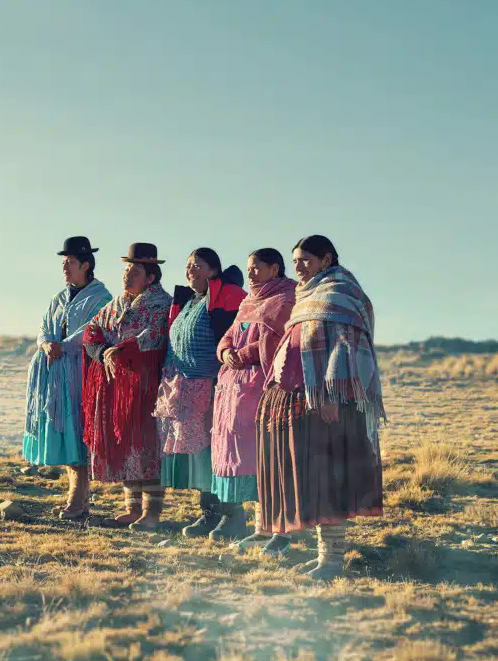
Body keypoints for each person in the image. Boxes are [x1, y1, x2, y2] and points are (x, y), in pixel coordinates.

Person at [255, 235, 385, 581]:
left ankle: (332, 561)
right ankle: (320, 556)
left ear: (326, 259)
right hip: (302, 401)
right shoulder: (308, 293)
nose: (298, 267)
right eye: (295, 260)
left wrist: (330, 396)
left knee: (331, 482)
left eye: (305, 261)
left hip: (330, 404)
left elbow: (346, 347)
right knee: (313, 480)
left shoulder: (341, 292)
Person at [154, 248, 246, 538]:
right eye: (188, 265)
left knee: (217, 452)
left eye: (198, 265)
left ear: (213, 271)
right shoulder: (188, 303)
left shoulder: (227, 298)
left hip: (213, 386)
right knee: (198, 454)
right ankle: (208, 512)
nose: (191, 270)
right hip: (184, 387)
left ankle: (233, 516)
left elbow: (234, 338)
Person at [82, 243, 172, 529]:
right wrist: (101, 352)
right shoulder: (116, 305)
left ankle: (152, 511)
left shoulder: (162, 305)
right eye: (126, 269)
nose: (127, 275)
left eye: (134, 271)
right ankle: (132, 507)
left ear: (151, 277)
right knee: (124, 443)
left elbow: (154, 336)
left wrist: (121, 349)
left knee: (146, 442)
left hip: (145, 383)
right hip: (115, 384)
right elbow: (92, 331)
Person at [211, 248, 296, 545]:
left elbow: (274, 339)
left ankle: (280, 530)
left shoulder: (285, 299)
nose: (250, 273)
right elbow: (228, 335)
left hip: (262, 386)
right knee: (250, 459)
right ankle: (261, 529)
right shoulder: (249, 300)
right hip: (234, 387)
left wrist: (242, 354)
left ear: (274, 269)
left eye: (256, 268)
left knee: (267, 455)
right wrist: (225, 352)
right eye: (248, 268)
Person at [23, 236, 113, 520]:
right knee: (63, 428)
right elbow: (43, 326)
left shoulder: (101, 297)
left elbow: (93, 328)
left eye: (70, 263)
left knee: (78, 429)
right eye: (64, 263)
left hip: (79, 371)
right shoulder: (58, 298)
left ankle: (79, 499)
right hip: (55, 371)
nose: (65, 268)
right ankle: (75, 497)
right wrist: (46, 343)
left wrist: (65, 345)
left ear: (85, 265)